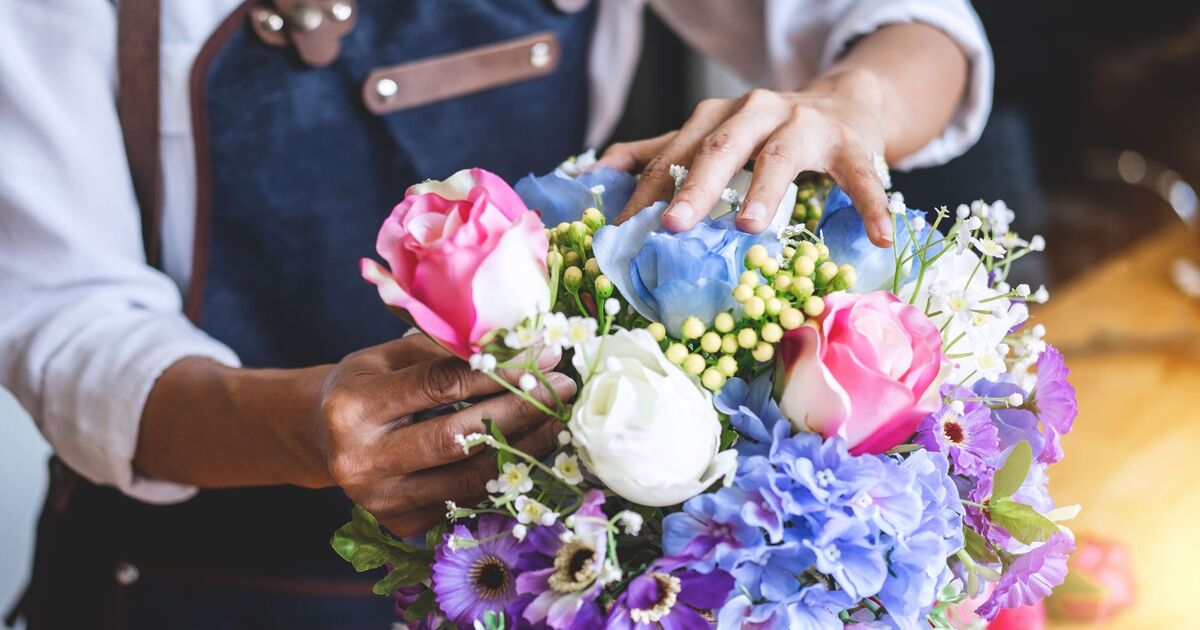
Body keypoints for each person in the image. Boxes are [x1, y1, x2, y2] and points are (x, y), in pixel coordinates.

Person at [0, 0, 990, 627]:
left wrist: (853, 99)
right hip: (189, 588)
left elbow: (918, 29)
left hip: (530, 584)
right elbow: (62, 319)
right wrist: (301, 429)